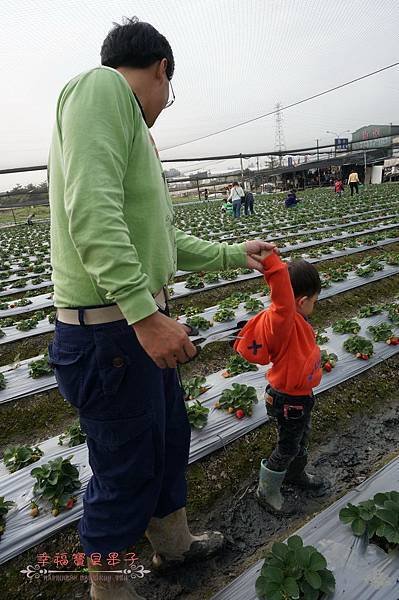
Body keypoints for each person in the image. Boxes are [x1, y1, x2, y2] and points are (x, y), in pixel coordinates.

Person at [47, 16, 276, 600]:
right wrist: (145, 317)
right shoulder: (101, 89)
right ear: (161, 69)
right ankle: (109, 588)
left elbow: (161, 242)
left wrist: (231, 252)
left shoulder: (134, 131)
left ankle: (172, 546)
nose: (166, 104)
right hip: (111, 335)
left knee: (169, 444)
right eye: (169, 90)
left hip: (132, 329)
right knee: (125, 472)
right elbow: (91, 213)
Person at [234, 251, 326, 513]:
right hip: (287, 400)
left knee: (300, 439)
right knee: (287, 447)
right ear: (303, 300)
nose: (315, 307)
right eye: (315, 302)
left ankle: (296, 475)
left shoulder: (299, 321)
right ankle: (267, 491)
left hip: (301, 397)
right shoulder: (284, 320)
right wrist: (273, 264)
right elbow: (282, 301)